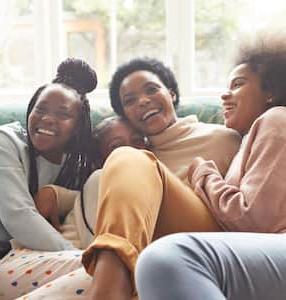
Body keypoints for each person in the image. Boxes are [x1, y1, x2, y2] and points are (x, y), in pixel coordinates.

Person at [20, 57, 241, 300]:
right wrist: (57, 194)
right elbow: (115, 196)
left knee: (129, 157)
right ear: (126, 115)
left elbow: (246, 202)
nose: (144, 101)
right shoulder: (135, 155)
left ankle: (110, 290)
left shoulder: (224, 139)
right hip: (153, 250)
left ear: (171, 94)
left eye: (151, 89)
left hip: (206, 237)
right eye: (130, 101)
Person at [135, 34, 286, 300]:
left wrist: (204, 173)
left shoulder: (276, 120)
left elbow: (253, 220)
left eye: (238, 84)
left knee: (167, 259)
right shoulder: (246, 140)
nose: (224, 94)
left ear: (271, 91)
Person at [0, 58, 98, 299]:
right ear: (30, 108)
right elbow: (19, 215)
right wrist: (80, 258)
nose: (47, 119)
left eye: (62, 114)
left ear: (78, 127)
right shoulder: (3, 141)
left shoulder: (78, 165)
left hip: (25, 258)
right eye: (41, 109)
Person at [33, 115, 147, 250]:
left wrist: (57, 194)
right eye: (116, 146)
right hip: (62, 256)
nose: (130, 149)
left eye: (137, 140)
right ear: (101, 161)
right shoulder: (102, 178)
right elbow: (100, 250)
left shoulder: (152, 182)